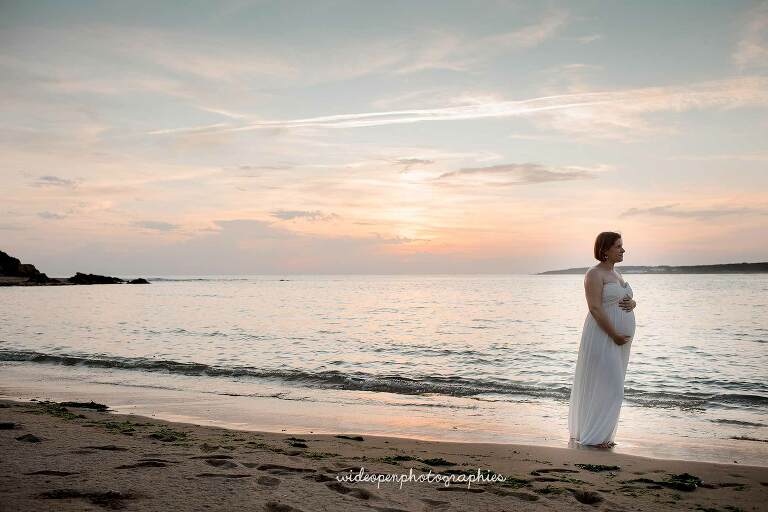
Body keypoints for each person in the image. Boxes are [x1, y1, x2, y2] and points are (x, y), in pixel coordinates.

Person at [568, 231, 637, 448]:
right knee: (609, 385)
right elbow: (595, 309)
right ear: (604, 250)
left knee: (610, 384)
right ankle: (594, 438)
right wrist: (614, 334)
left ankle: (600, 435)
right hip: (603, 336)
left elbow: (622, 300)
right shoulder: (594, 274)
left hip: (619, 341)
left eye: (622, 246)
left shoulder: (617, 275)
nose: (623, 250)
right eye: (618, 246)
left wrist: (633, 304)